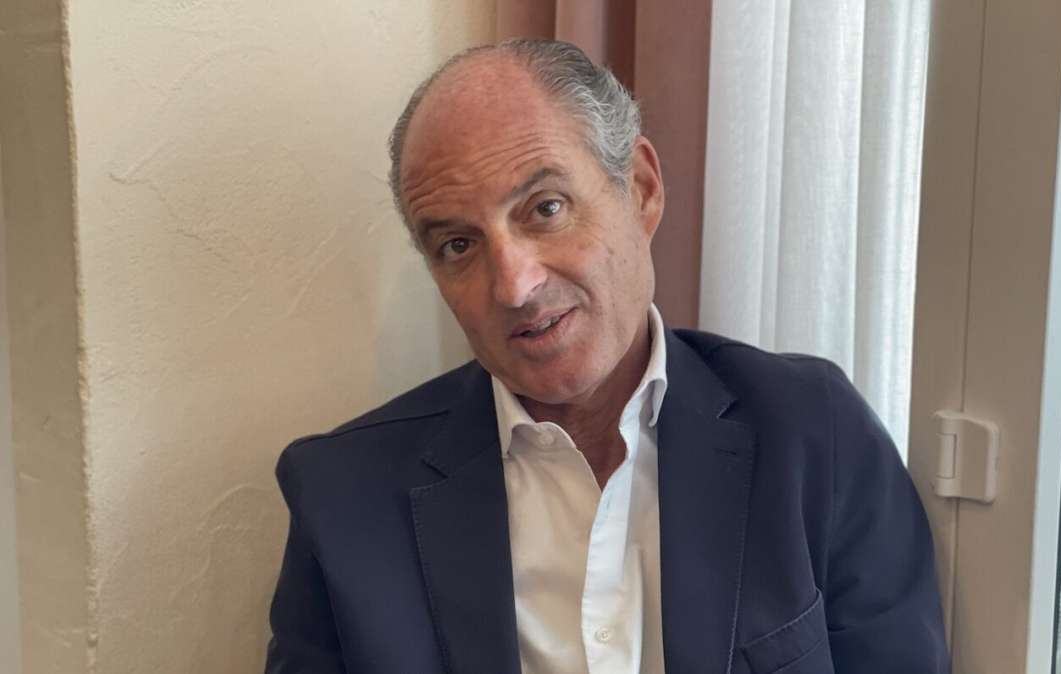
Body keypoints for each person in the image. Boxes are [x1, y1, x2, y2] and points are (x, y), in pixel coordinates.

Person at [264, 39, 951, 674]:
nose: (514, 286)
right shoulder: (345, 497)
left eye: (545, 208)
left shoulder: (812, 433)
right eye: (459, 245)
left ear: (642, 189)